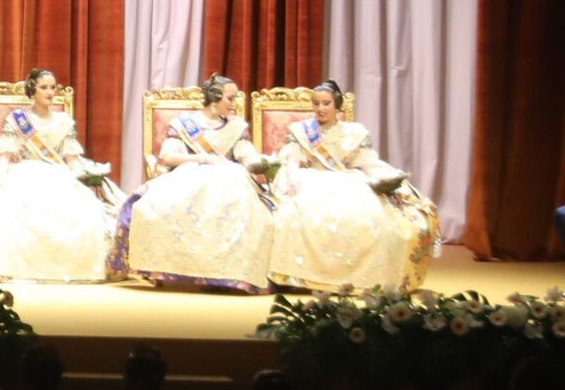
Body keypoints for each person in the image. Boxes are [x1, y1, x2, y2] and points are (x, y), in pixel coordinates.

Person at [267, 79, 438, 294]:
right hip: (311, 180)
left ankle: (358, 276)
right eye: (317, 103)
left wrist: (380, 180)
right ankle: (298, 276)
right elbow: (292, 160)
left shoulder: (354, 132)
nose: (320, 109)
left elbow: (367, 164)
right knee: (296, 212)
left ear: (337, 105)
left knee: (372, 217)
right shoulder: (302, 131)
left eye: (326, 103)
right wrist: (292, 177)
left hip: (346, 181)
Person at [113, 73, 273, 292]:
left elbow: (247, 157)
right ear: (214, 98)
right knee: (155, 207)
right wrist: (202, 158)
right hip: (188, 175)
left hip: (228, 180)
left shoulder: (235, 126)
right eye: (230, 98)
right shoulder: (183, 124)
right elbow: (168, 157)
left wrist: (262, 166)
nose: (234, 104)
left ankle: (228, 274)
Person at [0, 68, 116, 283]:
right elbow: (5, 155)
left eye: (52, 88)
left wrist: (85, 178)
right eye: (44, 87)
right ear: (33, 89)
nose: (50, 92)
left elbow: (72, 160)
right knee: (11, 209)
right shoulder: (17, 120)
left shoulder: (63, 121)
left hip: (58, 174)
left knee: (83, 209)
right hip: (24, 172)